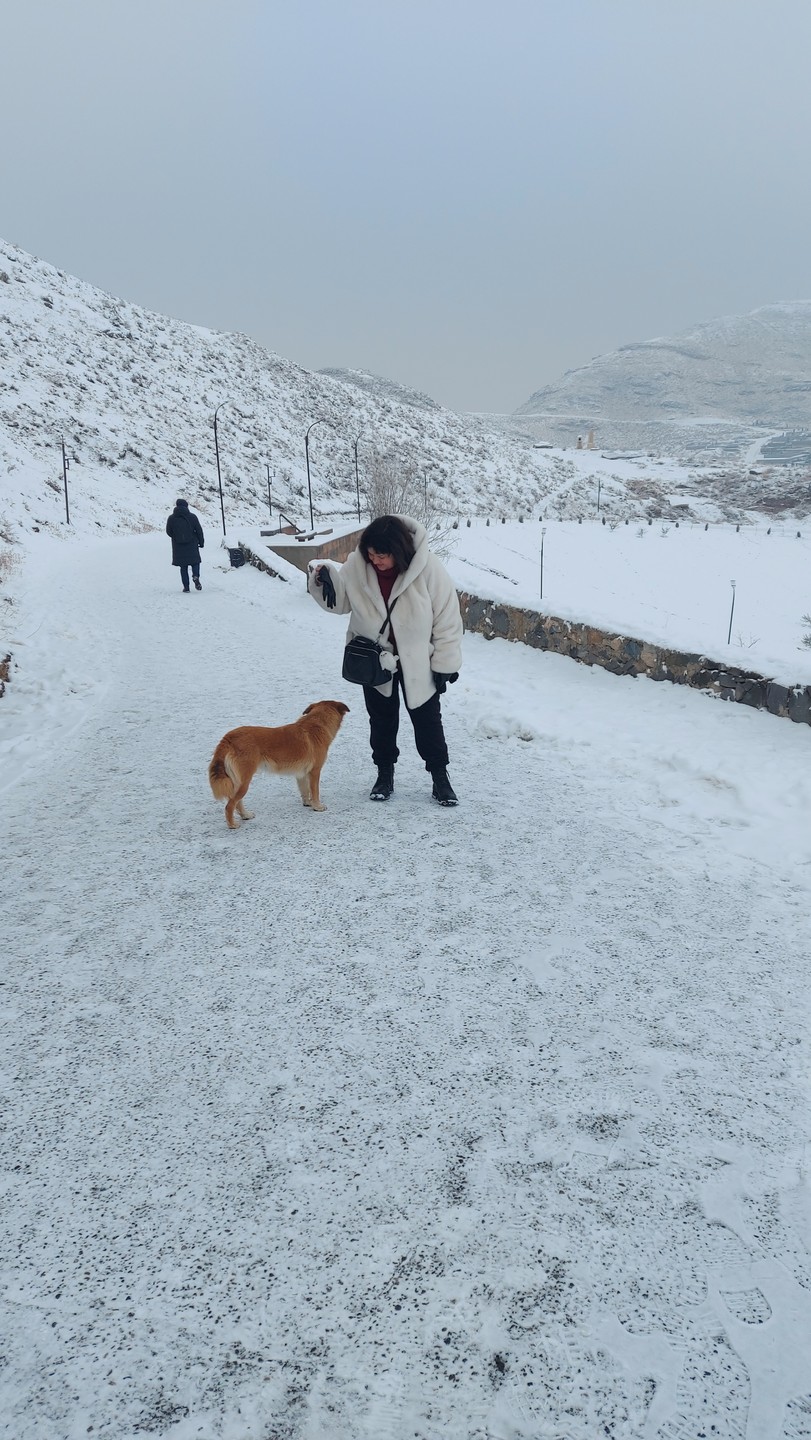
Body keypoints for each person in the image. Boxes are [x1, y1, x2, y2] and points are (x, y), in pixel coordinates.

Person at [307, 514, 463, 806]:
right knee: (380, 721)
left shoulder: (428, 568)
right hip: (374, 661)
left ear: (399, 550)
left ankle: (440, 777)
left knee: (428, 722)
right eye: (370, 553)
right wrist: (323, 578)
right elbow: (341, 602)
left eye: (382, 555)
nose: (375, 560)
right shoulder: (358, 567)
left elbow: (447, 617)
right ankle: (384, 774)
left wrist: (446, 662)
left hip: (418, 662)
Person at [166, 498, 204, 592]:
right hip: (192, 544)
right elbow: (199, 531)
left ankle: (186, 587)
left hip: (178, 546)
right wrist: (201, 542)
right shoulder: (192, 517)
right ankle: (196, 576)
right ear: (186, 506)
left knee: (183, 567)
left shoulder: (171, 518)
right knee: (195, 562)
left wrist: (176, 537)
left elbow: (168, 531)